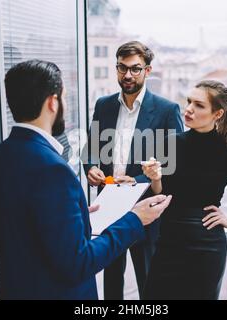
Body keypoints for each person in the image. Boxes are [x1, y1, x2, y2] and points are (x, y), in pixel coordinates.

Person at [0, 60, 172, 300]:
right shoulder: (52, 169)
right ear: (53, 102)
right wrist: (135, 218)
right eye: (65, 98)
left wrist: (77, 213)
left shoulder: (0, 158)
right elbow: (78, 263)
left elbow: (27, 226)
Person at [142, 80, 227, 300]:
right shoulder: (169, 143)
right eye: (189, 102)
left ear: (217, 114)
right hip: (168, 241)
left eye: (199, 105)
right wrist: (156, 179)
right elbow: (159, 195)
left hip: (208, 248)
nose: (188, 109)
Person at [83, 41, 183, 300]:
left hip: (145, 209)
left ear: (147, 71)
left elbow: (172, 163)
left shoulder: (166, 110)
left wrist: (137, 180)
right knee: (111, 279)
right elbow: (91, 147)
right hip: (108, 207)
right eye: (122, 68)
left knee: (148, 280)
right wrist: (91, 166)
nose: (128, 75)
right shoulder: (103, 105)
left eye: (135, 69)